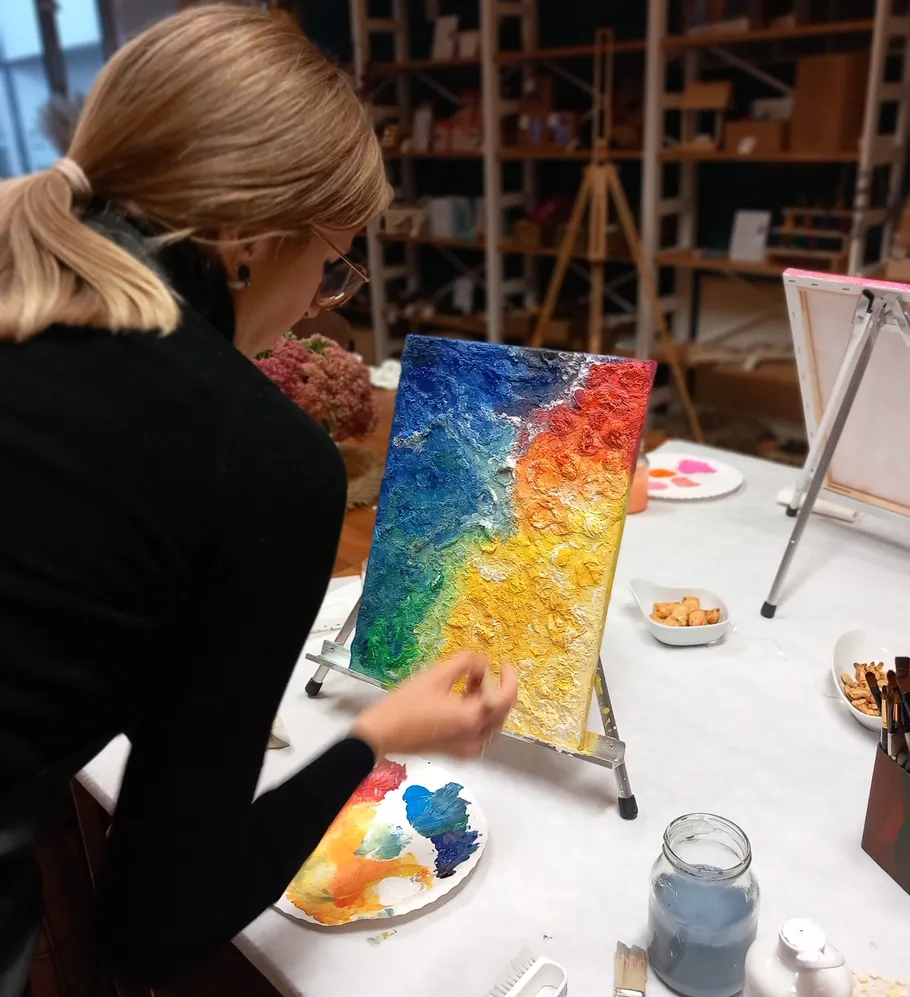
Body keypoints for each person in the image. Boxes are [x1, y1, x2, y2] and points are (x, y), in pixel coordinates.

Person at [0, 6, 517, 994]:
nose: (324, 298)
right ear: (243, 237)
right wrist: (375, 738)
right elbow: (157, 921)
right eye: (331, 263)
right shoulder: (250, 452)